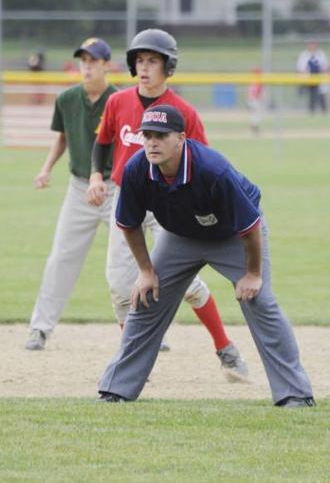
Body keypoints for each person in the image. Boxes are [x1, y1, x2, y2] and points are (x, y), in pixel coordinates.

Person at [96, 104, 315, 408]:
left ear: (181, 138)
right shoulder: (137, 168)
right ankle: (116, 389)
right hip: (180, 236)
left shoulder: (213, 169)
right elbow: (129, 224)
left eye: (161, 135)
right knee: (147, 298)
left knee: (260, 300)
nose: (152, 142)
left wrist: (252, 274)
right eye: (147, 135)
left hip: (232, 235)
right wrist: (146, 271)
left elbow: (250, 227)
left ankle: (295, 393)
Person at [87, 28, 248, 381]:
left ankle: (225, 348)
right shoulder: (117, 102)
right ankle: (132, 365)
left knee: (181, 283)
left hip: (169, 202)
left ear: (168, 66)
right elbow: (102, 142)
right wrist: (96, 175)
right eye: (140, 61)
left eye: (153, 61)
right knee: (119, 284)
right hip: (126, 198)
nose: (144, 68)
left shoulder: (183, 112)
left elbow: (204, 161)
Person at [25, 38, 117, 350]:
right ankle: (40, 328)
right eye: (83, 60)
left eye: (94, 61)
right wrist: (46, 168)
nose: (87, 66)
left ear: (107, 64)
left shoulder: (119, 100)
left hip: (115, 189)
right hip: (79, 189)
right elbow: (63, 138)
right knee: (61, 258)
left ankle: (148, 333)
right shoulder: (67, 98)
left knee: (128, 263)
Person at [296, 40, 330, 113]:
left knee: (322, 94)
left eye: (314, 44)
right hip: (308, 78)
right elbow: (300, 68)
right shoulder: (304, 55)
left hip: (320, 77)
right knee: (311, 95)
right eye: (310, 45)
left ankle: (324, 111)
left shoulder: (321, 54)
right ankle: (312, 111)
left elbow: (326, 66)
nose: (312, 46)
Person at [246, 68, 264, 133]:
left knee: (253, 114)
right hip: (255, 99)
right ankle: (255, 129)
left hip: (252, 99)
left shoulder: (253, 80)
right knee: (256, 114)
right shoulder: (257, 81)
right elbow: (257, 91)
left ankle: (254, 128)